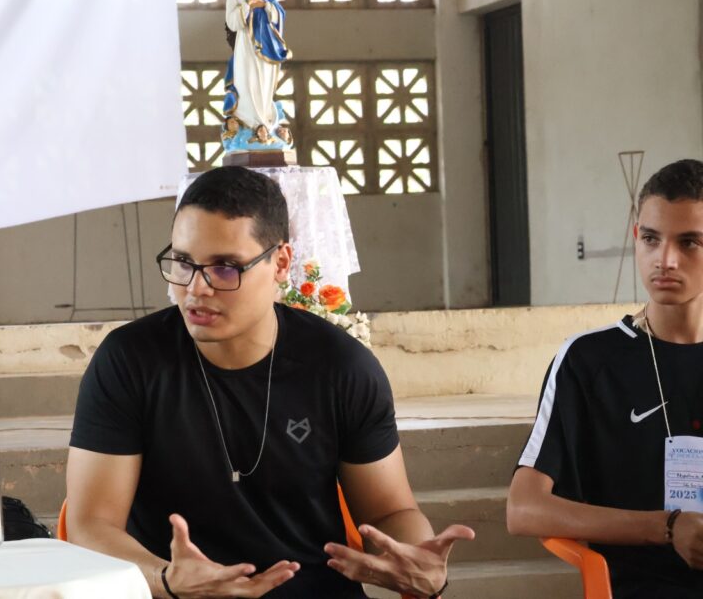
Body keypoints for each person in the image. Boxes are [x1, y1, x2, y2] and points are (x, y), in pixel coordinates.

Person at [66, 166, 473, 598]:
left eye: (225, 267)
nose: (196, 288)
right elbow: (91, 525)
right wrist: (166, 578)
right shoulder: (129, 361)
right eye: (184, 263)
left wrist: (415, 558)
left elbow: (389, 511)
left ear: (280, 263)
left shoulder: (341, 367)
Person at [508, 158, 703, 598]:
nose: (665, 260)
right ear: (636, 238)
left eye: (690, 241)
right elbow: (523, 508)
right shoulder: (588, 360)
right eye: (651, 239)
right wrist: (667, 527)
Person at [223, 0, 290, 137]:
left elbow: (278, 16)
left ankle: (265, 122)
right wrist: (247, 5)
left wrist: (266, 5)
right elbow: (232, 23)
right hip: (245, 42)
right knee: (247, 79)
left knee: (264, 81)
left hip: (265, 43)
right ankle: (248, 121)